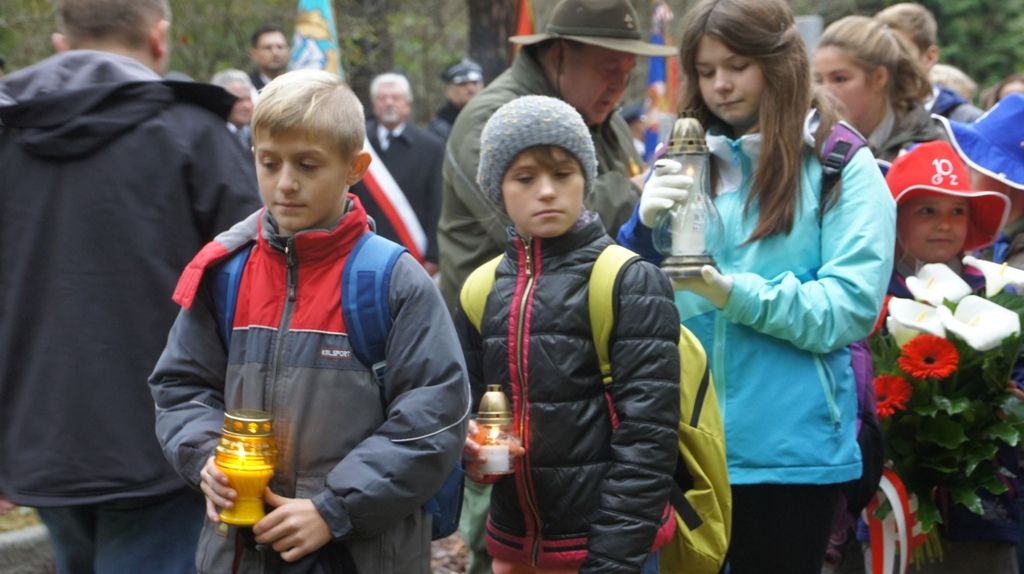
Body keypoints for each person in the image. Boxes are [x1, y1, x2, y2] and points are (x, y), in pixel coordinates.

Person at [148, 69, 469, 573]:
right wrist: (207, 458)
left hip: (361, 553)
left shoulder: (393, 281)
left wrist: (333, 508)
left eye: (307, 164)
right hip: (239, 553)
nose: (285, 183)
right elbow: (181, 386)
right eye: (269, 162)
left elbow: (435, 416)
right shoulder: (227, 272)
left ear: (354, 167)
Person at [617, 0, 896, 571]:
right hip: (681, 449)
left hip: (790, 456)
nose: (720, 85)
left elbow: (848, 307)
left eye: (737, 66)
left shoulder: (840, 163)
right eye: (705, 70)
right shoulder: (681, 157)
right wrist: (638, 233)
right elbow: (627, 302)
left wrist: (732, 293)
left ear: (780, 63)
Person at [0, 0, 262, 572]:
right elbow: (256, 285)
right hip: (166, 436)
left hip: (39, 434)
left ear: (61, 45)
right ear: (160, 39)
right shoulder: (194, 134)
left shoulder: (9, 135)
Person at [457, 95, 680, 574]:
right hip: (517, 548)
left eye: (563, 174)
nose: (546, 191)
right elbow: (470, 408)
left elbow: (649, 439)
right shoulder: (480, 288)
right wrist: (471, 449)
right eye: (524, 178)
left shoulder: (628, 279)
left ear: (586, 179)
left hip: (612, 551)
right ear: (498, 190)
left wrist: (611, 561)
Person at [437, 0, 675, 311]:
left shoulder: (605, 118)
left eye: (627, 73)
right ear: (558, 56)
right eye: (608, 69)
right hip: (496, 324)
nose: (619, 86)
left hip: (587, 314)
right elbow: (539, 227)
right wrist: (636, 191)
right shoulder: (494, 119)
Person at [882, 141, 1017, 574]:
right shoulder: (871, 297)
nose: (945, 224)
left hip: (985, 506)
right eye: (927, 211)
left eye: (958, 211)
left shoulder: (994, 293)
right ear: (892, 219)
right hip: (891, 505)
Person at [813, 15, 942, 164]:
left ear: (879, 78)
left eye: (840, 79)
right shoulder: (811, 143)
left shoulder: (929, 151)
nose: (825, 92)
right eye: (818, 80)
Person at [352, 72, 444, 275]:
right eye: (382, 98)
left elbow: (437, 204)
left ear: (407, 104)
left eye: (395, 98)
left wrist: (434, 255)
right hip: (364, 250)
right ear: (374, 105)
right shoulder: (357, 144)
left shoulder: (431, 147)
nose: (389, 103)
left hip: (413, 253)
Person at [875, 2, 983, 123]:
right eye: (881, 52)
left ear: (930, 57)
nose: (889, 61)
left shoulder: (967, 120)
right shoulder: (868, 118)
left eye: (902, 52)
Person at [429, 57, 484, 141]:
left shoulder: (491, 117)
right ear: (449, 90)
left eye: (475, 83)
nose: (471, 89)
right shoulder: (439, 129)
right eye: (463, 84)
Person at [210, 68, 256, 151]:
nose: (246, 106)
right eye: (238, 100)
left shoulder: (256, 135)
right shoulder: (211, 137)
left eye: (248, 99)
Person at [248, 24, 289, 92]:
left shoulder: (297, 86)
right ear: (254, 54)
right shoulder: (246, 89)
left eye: (280, 47)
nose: (275, 53)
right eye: (268, 48)